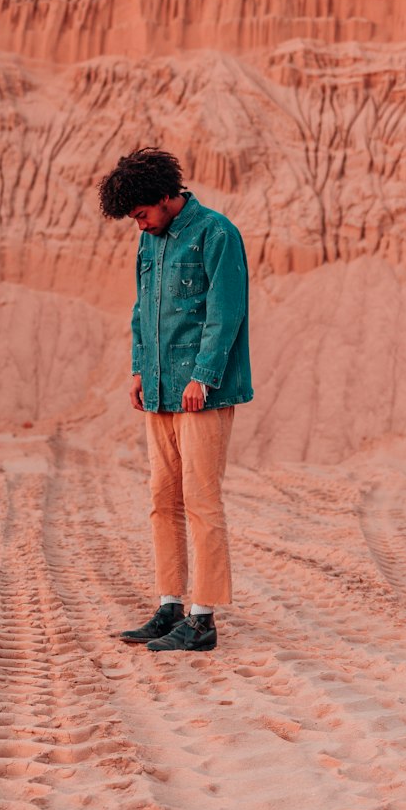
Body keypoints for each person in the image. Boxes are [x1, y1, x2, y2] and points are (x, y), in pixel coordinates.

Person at [98, 147, 252, 652]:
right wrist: (140, 369)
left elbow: (224, 313)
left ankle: (203, 619)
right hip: (160, 390)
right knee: (163, 501)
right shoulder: (151, 243)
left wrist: (203, 377)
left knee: (202, 501)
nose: (139, 225)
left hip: (200, 394)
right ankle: (170, 607)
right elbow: (142, 310)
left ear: (166, 197)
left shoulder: (217, 233)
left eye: (142, 214)